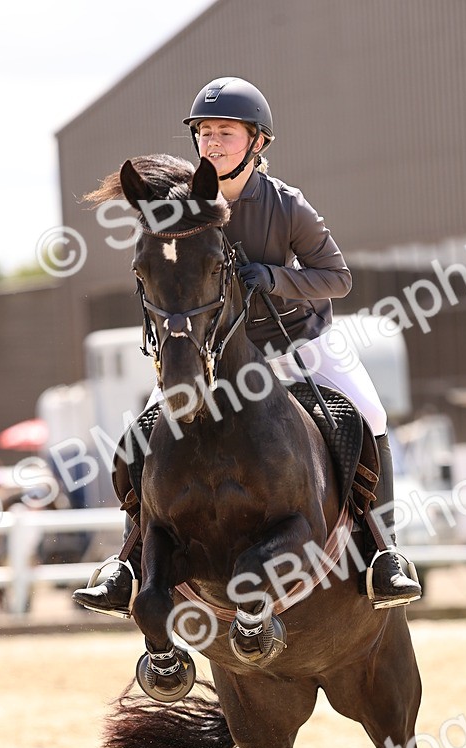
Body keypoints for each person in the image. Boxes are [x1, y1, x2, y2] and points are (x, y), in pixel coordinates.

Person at [73, 76, 421, 616]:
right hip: (214, 352)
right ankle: (129, 560)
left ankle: (384, 551)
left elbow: (338, 277)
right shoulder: (184, 204)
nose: (211, 143)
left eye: (225, 133)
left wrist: (274, 278)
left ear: (257, 142)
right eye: (204, 133)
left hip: (296, 342)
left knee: (370, 412)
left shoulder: (285, 204)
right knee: (143, 429)